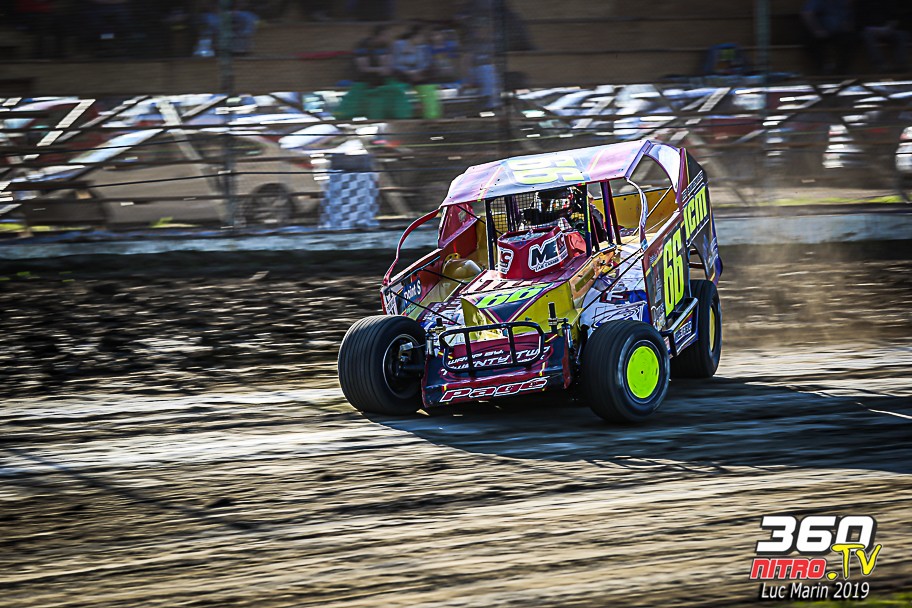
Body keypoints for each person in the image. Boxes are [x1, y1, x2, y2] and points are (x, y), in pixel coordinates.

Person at [801, 0, 855, 75]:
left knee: (851, 39)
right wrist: (817, 29)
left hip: (838, 31)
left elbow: (847, 15)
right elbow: (807, 14)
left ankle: (841, 69)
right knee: (810, 41)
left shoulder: (842, 2)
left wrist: (847, 24)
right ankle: (822, 67)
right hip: (820, 29)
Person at [860, 0, 909, 73]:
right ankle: (880, 65)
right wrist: (873, 29)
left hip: (887, 29)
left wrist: (888, 27)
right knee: (867, 35)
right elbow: (860, 22)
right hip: (870, 30)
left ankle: (902, 64)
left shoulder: (887, 2)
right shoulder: (863, 3)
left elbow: (894, 17)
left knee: (901, 34)